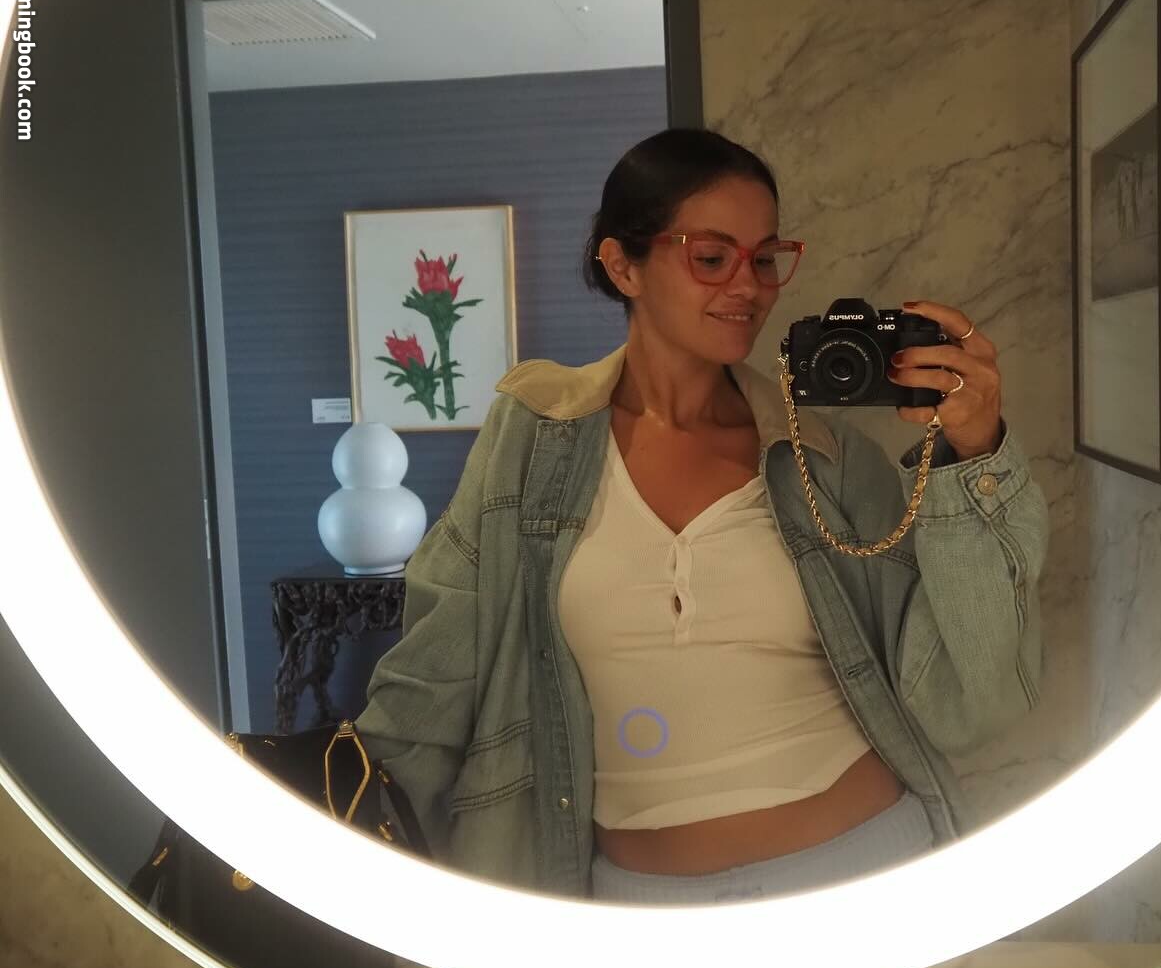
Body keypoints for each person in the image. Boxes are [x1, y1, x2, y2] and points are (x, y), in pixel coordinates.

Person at [355, 128, 1049, 904]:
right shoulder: (532, 439)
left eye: (765, 259)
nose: (749, 286)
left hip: (869, 878)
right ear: (623, 265)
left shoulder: (824, 458)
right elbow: (433, 673)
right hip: (641, 912)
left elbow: (970, 696)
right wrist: (337, 834)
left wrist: (974, 455)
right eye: (712, 258)